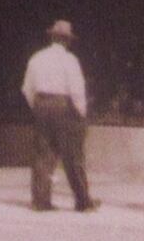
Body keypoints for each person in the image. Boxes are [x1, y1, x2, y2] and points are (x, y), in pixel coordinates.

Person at [21, 19, 99, 212]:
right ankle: (83, 201)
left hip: (41, 103)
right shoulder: (70, 60)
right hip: (63, 105)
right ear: (67, 41)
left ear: (52, 38)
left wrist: (38, 107)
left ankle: (40, 200)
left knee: (43, 153)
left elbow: (27, 88)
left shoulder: (36, 58)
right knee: (73, 154)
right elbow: (77, 90)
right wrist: (81, 113)